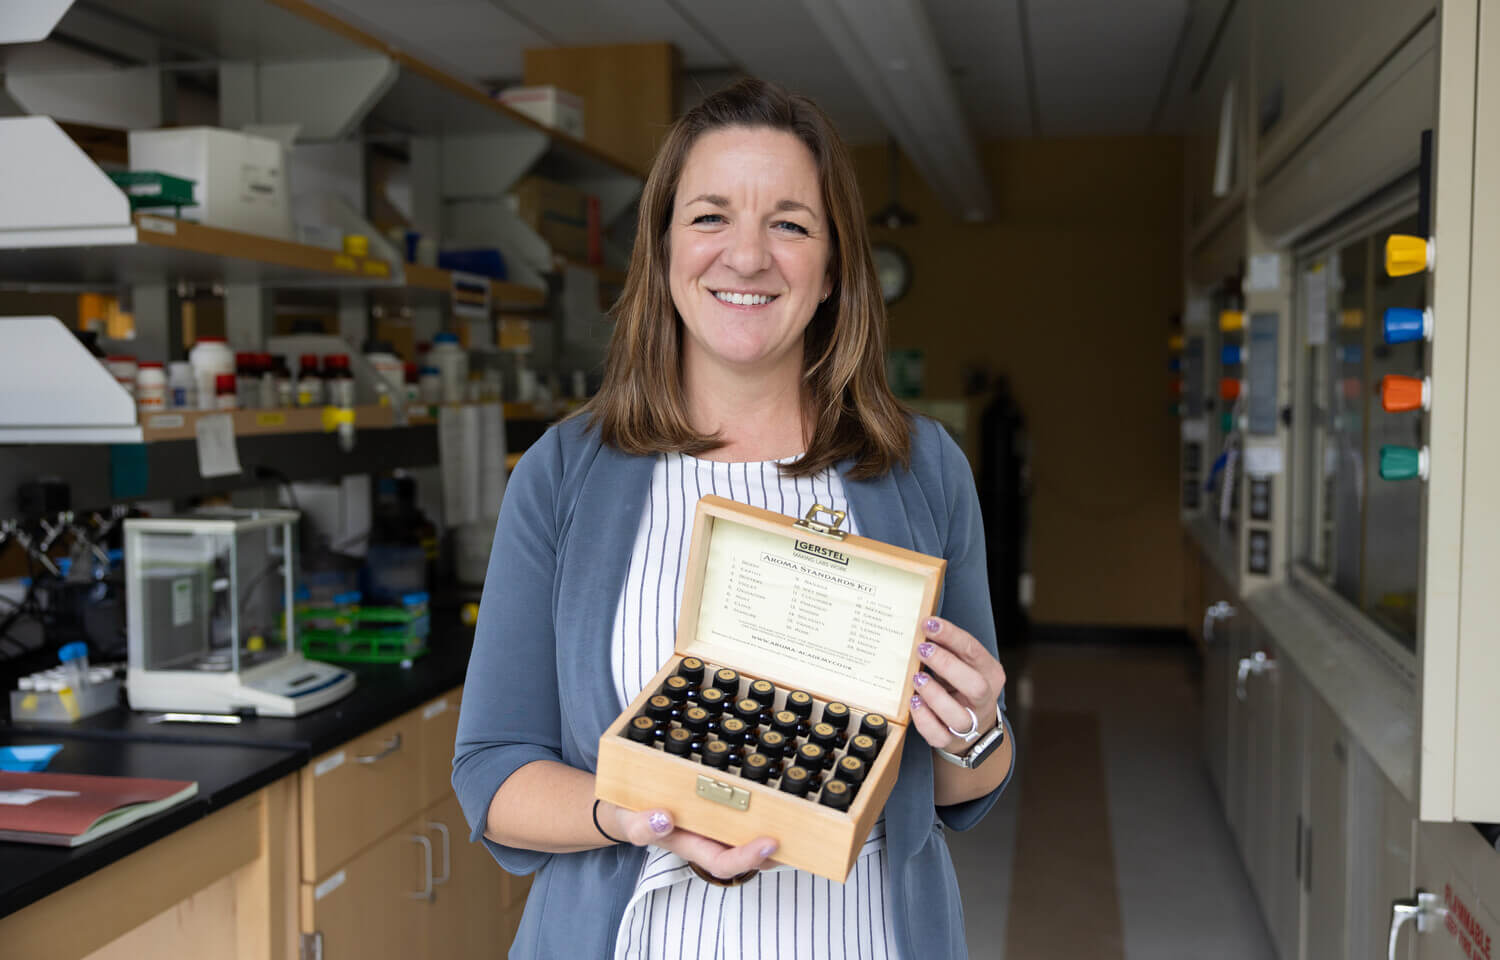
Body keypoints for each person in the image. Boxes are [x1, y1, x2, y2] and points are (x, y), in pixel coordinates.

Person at [453, 77, 1015, 959]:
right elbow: (492, 770)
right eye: (711, 216)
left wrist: (976, 725)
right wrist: (636, 816)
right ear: (664, 247)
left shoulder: (920, 469)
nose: (747, 258)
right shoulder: (565, 473)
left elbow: (966, 781)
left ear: (832, 270)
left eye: (789, 224)